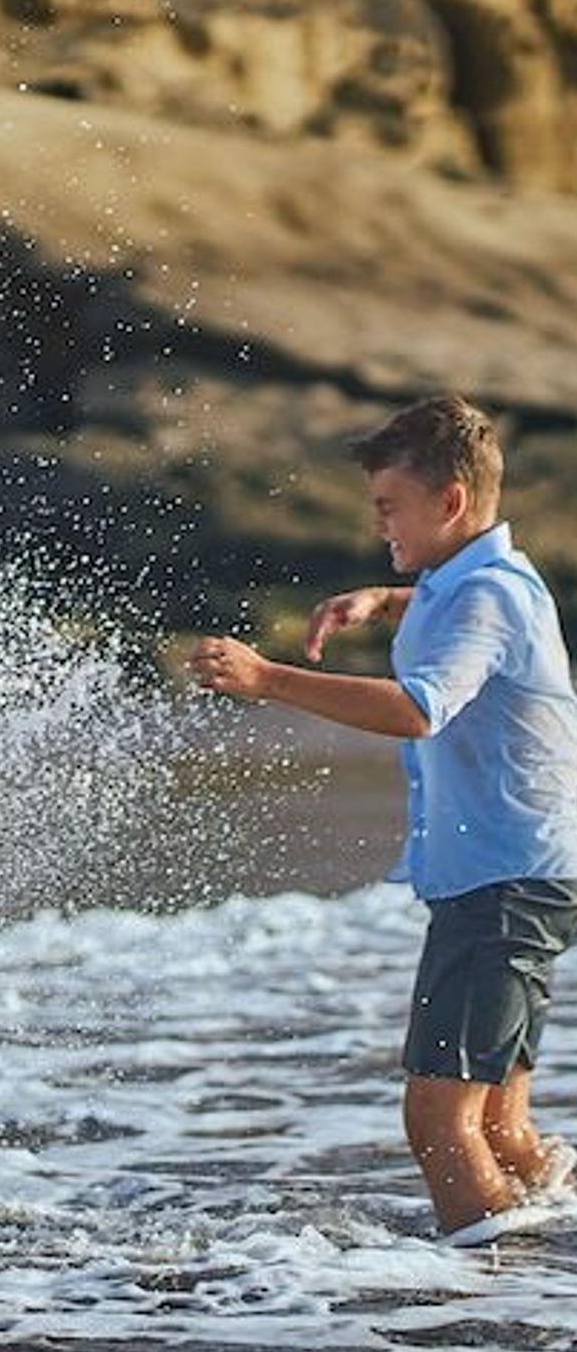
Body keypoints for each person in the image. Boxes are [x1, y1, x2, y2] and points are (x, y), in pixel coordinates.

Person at [189, 394, 577, 1247]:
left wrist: (268, 680)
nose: (379, 526)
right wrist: (384, 598)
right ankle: (548, 1266)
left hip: (503, 883)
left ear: (449, 504)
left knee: (439, 1120)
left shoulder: (483, 600)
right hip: (526, 871)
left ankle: (485, 1310)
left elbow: (418, 709)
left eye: (389, 508)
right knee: (502, 1124)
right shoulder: (482, 581)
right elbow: (461, 612)